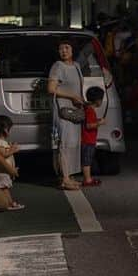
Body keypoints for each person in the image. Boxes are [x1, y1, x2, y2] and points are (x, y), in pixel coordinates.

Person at [48, 38, 86, 191]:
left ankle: (68, 176)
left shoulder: (76, 66)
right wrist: (72, 96)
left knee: (72, 143)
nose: (63, 51)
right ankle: (64, 179)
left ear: (72, 50)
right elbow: (51, 89)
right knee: (63, 143)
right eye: (61, 48)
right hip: (63, 110)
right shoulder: (58, 66)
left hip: (74, 110)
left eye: (67, 47)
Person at [0, 114, 24, 207]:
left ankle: (10, 203)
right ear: (5, 130)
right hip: (1, 171)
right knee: (4, 188)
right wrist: (13, 149)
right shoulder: (0, 142)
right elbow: (2, 155)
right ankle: (10, 203)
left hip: (4, 171)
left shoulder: (0, 141)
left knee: (4, 188)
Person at [80, 85, 104, 188]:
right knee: (87, 161)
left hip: (87, 140)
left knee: (87, 160)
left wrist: (97, 121)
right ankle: (87, 179)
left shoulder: (87, 108)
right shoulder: (90, 110)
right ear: (98, 100)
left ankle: (87, 178)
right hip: (88, 140)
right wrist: (100, 123)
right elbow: (89, 125)